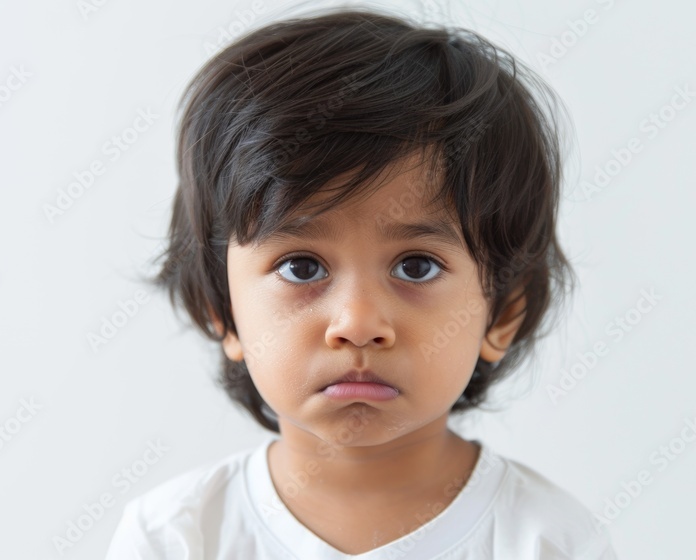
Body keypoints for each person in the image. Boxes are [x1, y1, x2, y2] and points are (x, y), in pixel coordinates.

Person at [106, 5, 617, 559]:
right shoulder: (177, 536)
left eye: (416, 266)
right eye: (302, 267)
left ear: (502, 312)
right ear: (222, 309)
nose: (358, 324)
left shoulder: (547, 540)